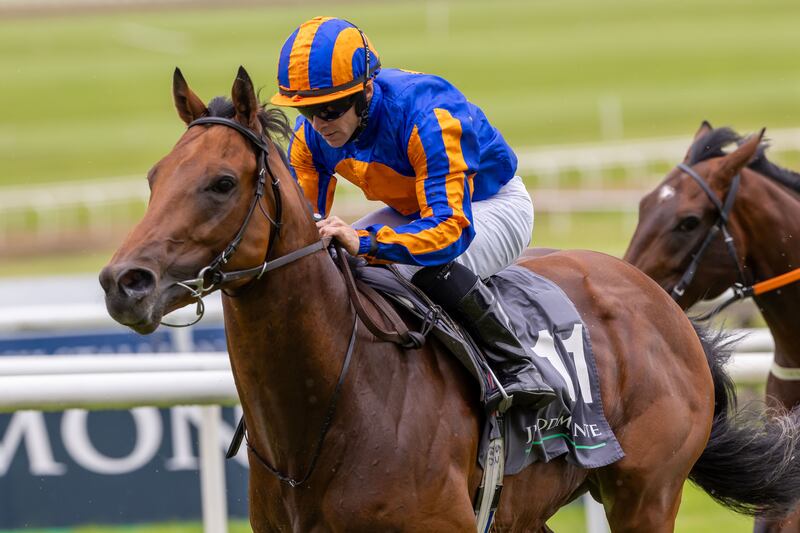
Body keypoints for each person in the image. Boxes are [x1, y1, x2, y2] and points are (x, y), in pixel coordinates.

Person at [270, 16, 554, 412]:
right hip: (415, 211)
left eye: (331, 109)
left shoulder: (428, 115)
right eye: (308, 110)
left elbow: (449, 231)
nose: (319, 124)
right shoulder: (311, 137)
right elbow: (303, 230)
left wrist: (366, 242)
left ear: (366, 91)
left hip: (488, 207)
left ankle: (514, 368)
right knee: (335, 261)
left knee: (409, 267)